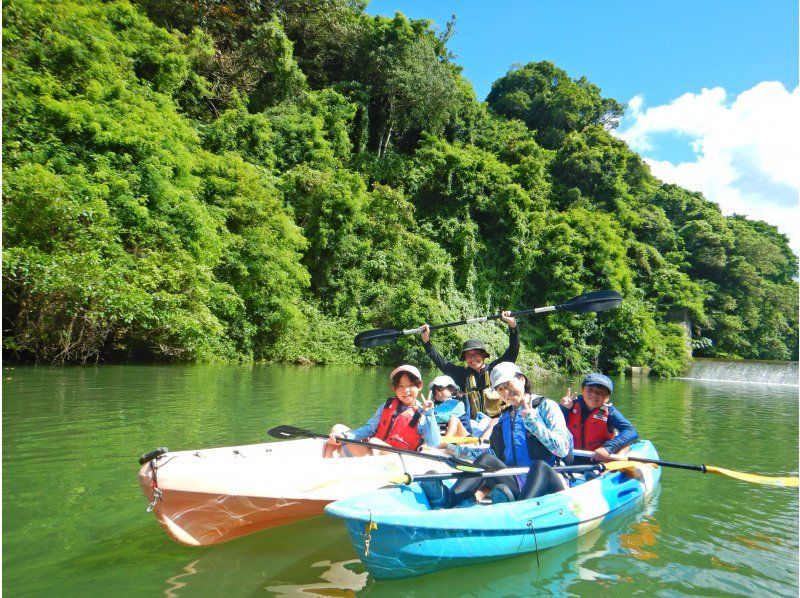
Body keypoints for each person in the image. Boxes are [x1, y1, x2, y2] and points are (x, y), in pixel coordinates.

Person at [421, 362, 573, 508]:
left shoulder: (546, 406)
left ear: (521, 379)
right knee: (486, 459)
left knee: (539, 466)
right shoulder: (506, 416)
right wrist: (457, 450)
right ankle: (449, 498)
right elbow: (492, 453)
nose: (506, 392)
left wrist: (534, 424)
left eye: (508, 384)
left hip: (549, 479)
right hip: (518, 481)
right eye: (500, 389)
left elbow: (562, 449)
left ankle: (521, 511)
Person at [324, 365, 441, 458]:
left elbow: (434, 443)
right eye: (400, 386)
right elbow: (369, 429)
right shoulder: (386, 406)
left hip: (401, 458)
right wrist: (344, 436)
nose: (406, 391)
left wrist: (430, 414)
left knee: (375, 441)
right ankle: (327, 464)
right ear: (394, 389)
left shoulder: (424, 412)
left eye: (411, 385)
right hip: (376, 449)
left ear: (419, 386)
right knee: (337, 429)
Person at [420, 312, 519, 418]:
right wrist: (426, 341)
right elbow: (440, 362)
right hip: (474, 424)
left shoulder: (495, 370)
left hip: (499, 420)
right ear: (465, 358)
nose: (473, 359)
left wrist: (512, 326)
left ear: (483, 355)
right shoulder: (462, 374)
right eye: (469, 355)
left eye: (477, 354)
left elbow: (513, 350)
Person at [559, 373, 638, 462]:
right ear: (582, 390)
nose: (594, 394)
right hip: (572, 456)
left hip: (599, 459)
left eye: (600, 392)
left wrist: (607, 448)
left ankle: (616, 466)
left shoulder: (610, 412)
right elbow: (553, 427)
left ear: (607, 398)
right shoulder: (570, 406)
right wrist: (563, 409)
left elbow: (631, 431)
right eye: (590, 389)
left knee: (625, 445)